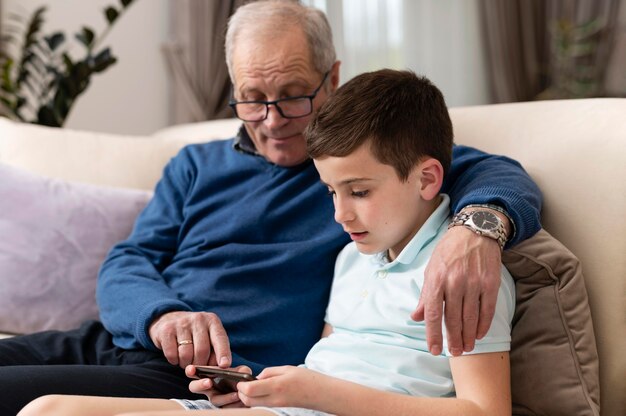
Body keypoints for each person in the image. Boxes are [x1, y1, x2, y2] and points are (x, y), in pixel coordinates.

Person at [1, 1, 541, 414]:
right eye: (252, 97)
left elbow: (498, 174)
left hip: (197, 375)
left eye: (292, 94)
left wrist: (477, 229)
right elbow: (129, 259)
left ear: (331, 78)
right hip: (124, 341)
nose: (272, 119)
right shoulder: (196, 164)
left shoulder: (366, 167)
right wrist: (161, 315)